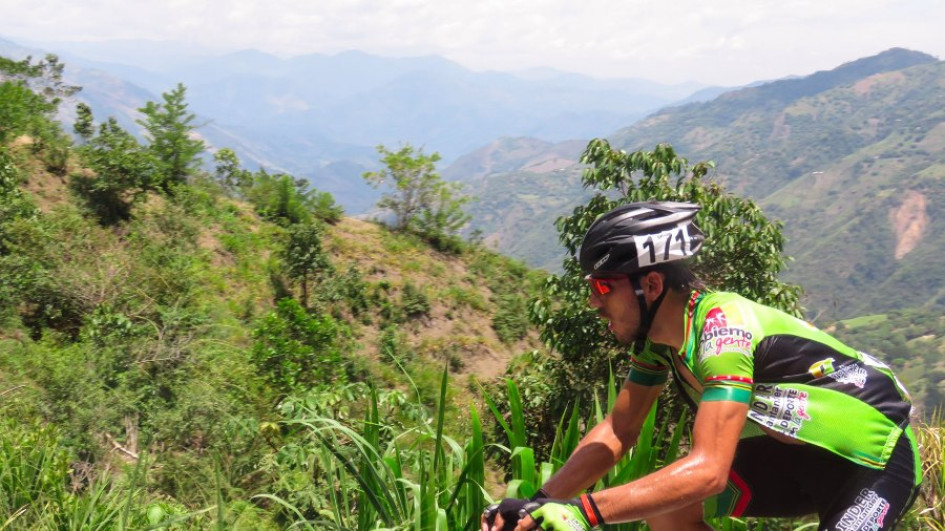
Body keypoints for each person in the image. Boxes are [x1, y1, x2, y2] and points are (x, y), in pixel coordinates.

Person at [482, 202, 921, 530]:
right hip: (794, 460)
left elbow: (709, 472)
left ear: (651, 284)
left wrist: (583, 512)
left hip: (872, 460)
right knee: (668, 511)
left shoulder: (723, 329)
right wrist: (538, 504)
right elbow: (618, 430)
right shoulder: (659, 344)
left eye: (602, 287)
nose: (594, 303)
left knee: (680, 494)